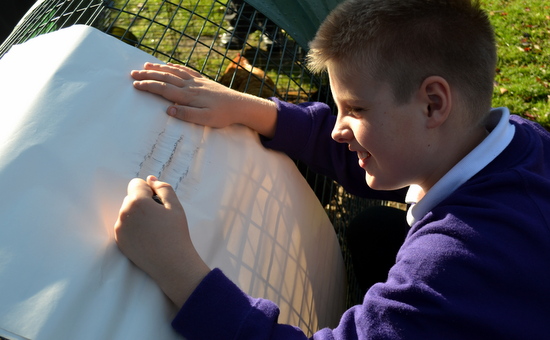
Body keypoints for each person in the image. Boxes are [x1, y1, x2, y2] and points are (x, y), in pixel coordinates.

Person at [115, 0, 550, 338]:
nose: (339, 130)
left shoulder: (456, 262)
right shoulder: (513, 138)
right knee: (375, 229)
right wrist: (251, 109)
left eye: (355, 109)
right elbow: (370, 146)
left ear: (433, 103)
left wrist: (178, 268)